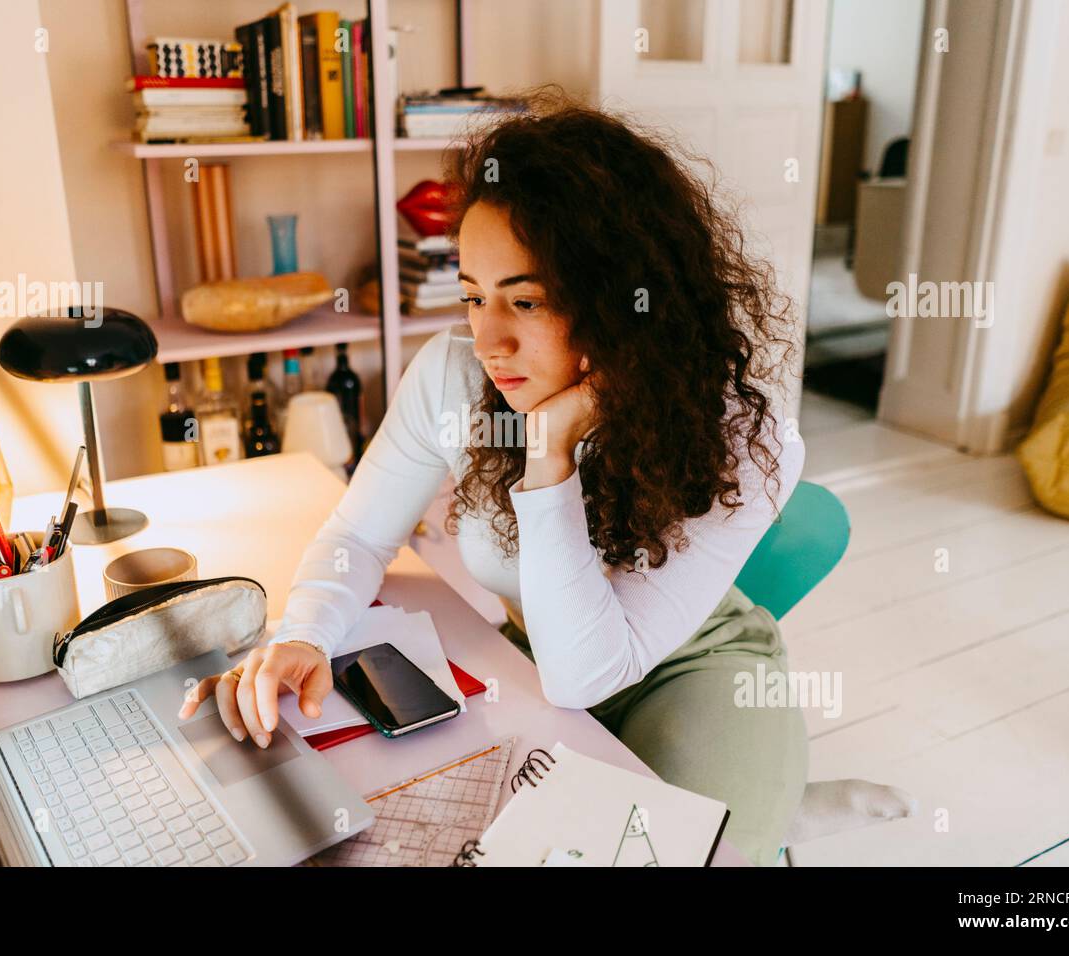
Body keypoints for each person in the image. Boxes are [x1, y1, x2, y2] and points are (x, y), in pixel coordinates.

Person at [180, 87, 808, 866]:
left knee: (690, 857)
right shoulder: (451, 376)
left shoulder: (747, 435)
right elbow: (359, 532)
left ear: (621, 297)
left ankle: (782, 813)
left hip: (691, 668)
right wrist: (303, 632)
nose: (488, 340)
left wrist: (548, 458)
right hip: (534, 653)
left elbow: (586, 674)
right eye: (474, 297)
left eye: (528, 300)